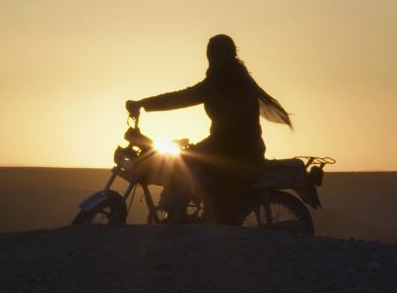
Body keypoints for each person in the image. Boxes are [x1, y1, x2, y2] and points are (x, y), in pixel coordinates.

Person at [125, 34, 291, 223]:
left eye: (214, 53)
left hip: (238, 153)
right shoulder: (224, 78)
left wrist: (143, 104)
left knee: (181, 163)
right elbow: (185, 97)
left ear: (225, 55)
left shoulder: (230, 82)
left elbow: (227, 128)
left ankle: (178, 218)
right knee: (186, 159)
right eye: (210, 54)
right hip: (228, 149)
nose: (211, 58)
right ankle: (189, 214)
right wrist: (144, 104)